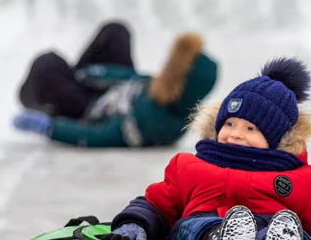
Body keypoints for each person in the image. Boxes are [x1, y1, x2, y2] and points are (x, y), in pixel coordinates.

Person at [99, 57, 311, 240]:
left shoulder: (299, 179)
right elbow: (157, 203)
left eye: (251, 128)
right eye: (230, 124)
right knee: (194, 228)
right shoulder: (190, 166)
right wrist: (135, 225)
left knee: (293, 234)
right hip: (205, 229)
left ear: (276, 138)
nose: (236, 133)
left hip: (269, 229)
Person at [12, 21, 218, 147]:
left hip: (87, 110)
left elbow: (101, 136)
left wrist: (51, 128)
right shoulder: (164, 90)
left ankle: (37, 101)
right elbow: (132, 79)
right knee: (116, 31)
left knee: (47, 64)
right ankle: (66, 81)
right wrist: (94, 74)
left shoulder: (154, 123)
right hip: (105, 90)